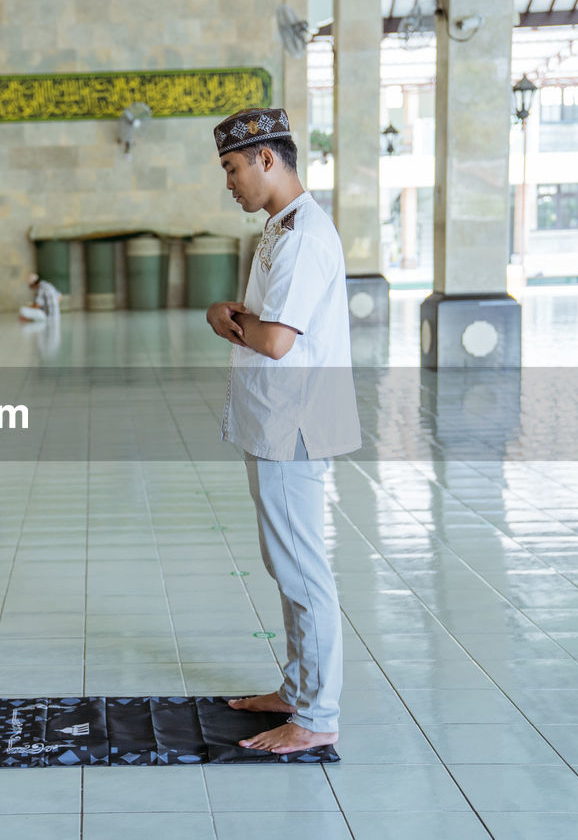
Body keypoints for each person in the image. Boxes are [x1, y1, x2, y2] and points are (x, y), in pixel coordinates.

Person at [205, 107, 361, 755]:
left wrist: (223, 321)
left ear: (268, 159)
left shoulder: (302, 236)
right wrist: (232, 315)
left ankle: (317, 715)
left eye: (233, 168)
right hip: (276, 418)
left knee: (302, 568)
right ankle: (299, 688)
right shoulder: (280, 227)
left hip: (293, 422)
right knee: (284, 559)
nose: (230, 182)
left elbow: (272, 337)